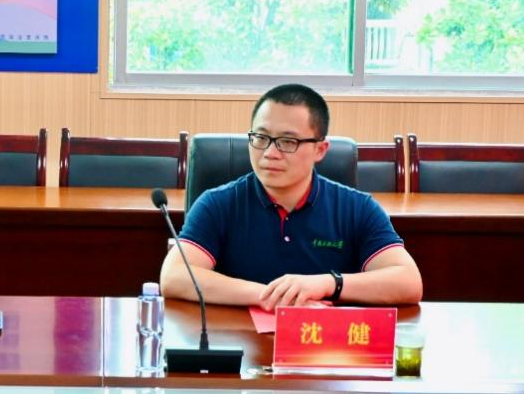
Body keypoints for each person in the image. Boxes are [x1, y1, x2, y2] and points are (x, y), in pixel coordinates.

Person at [160, 83, 422, 310]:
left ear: (320, 150)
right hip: (241, 342)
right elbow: (174, 276)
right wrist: (271, 297)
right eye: (260, 137)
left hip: (324, 343)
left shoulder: (357, 208)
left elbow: (408, 282)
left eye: (288, 142)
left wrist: (328, 283)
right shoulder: (218, 204)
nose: (270, 153)